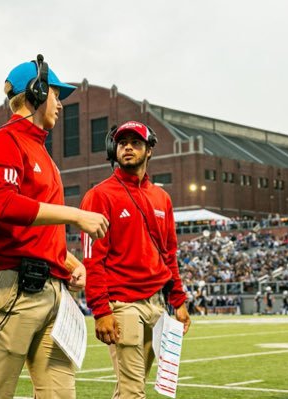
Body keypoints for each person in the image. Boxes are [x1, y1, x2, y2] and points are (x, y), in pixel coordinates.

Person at [0, 54, 109, 399]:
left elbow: (38, 231)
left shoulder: (41, 151)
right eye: (56, 94)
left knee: (61, 395)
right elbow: (1, 204)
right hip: (11, 288)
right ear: (37, 91)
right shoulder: (4, 141)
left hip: (50, 289)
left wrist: (69, 262)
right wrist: (75, 215)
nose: (60, 104)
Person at [80, 121, 191, 399]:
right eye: (122, 142)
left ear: (149, 150)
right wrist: (101, 310)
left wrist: (179, 300)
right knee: (133, 392)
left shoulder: (162, 197)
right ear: (113, 149)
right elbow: (93, 259)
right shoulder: (99, 195)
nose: (127, 147)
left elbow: (169, 254)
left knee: (131, 387)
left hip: (157, 305)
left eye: (136, 142)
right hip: (123, 305)